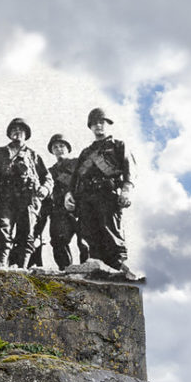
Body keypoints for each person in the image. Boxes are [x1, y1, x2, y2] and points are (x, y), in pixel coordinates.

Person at [67, 108, 134, 271]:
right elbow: (75, 177)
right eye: (94, 123)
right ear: (90, 127)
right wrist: (69, 195)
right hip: (86, 197)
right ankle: (98, 268)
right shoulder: (86, 152)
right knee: (89, 234)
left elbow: (129, 169)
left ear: (108, 124)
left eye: (101, 122)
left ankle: (119, 268)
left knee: (110, 231)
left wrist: (126, 190)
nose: (98, 126)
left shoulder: (118, 145)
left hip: (107, 194)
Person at [0, 118, 53, 267]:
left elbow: (47, 177)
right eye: (14, 129)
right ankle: (0, 266)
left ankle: (21, 270)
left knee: (26, 235)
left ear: (26, 134)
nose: (17, 132)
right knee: (3, 232)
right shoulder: (0, 153)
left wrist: (44, 189)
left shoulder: (33, 156)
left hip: (28, 200)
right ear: (9, 134)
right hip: (5, 198)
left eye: (21, 130)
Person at [30, 134, 89, 270]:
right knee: (57, 241)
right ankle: (66, 270)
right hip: (59, 212)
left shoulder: (77, 164)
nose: (59, 149)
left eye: (62, 146)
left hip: (80, 208)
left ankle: (87, 270)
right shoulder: (50, 172)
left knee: (85, 240)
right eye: (55, 147)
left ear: (68, 148)